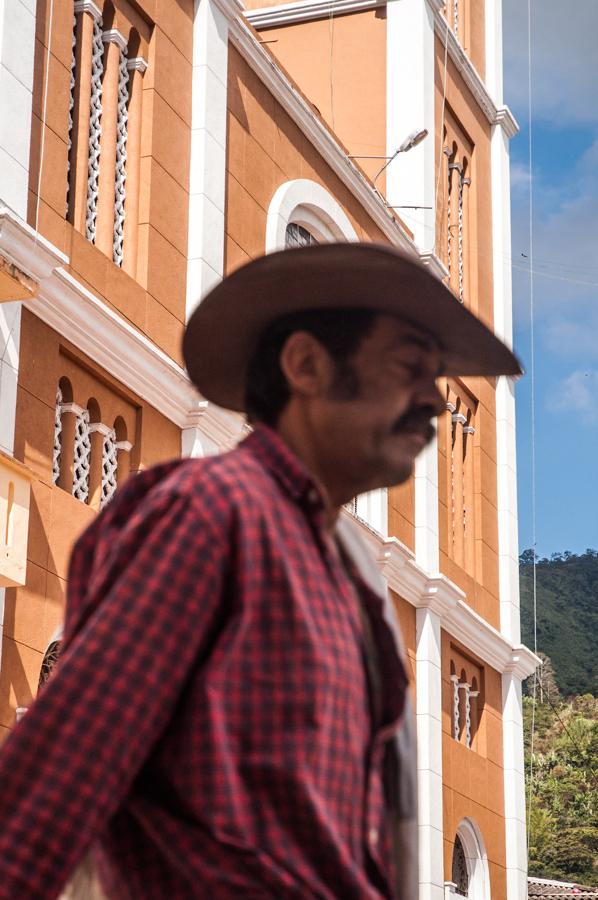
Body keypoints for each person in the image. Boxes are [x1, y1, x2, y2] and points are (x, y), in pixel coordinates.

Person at [0, 243, 521, 899]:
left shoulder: (345, 582)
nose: (434, 403)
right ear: (306, 364)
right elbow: (54, 786)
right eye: (408, 367)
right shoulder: (210, 513)